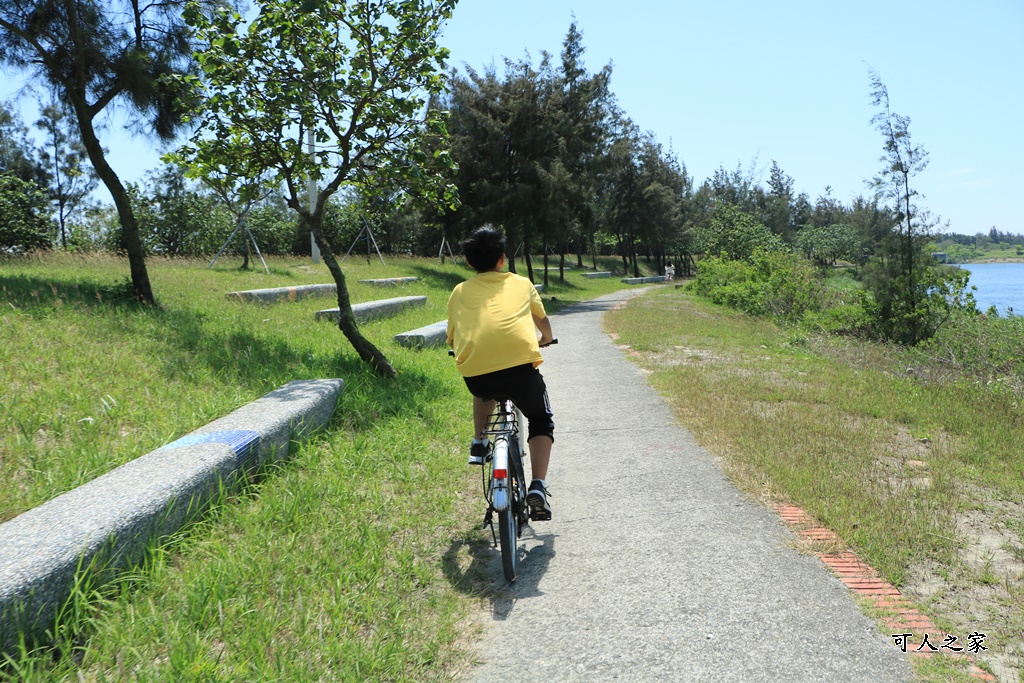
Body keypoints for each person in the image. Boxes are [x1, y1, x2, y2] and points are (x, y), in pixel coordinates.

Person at [446, 225, 555, 520]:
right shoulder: (521, 283)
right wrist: (544, 338)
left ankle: (479, 441)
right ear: (503, 259)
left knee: (484, 389)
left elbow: (454, 337)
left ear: (469, 262)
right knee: (540, 419)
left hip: (477, 375)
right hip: (521, 371)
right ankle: (538, 486)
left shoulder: (459, 291)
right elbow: (543, 325)